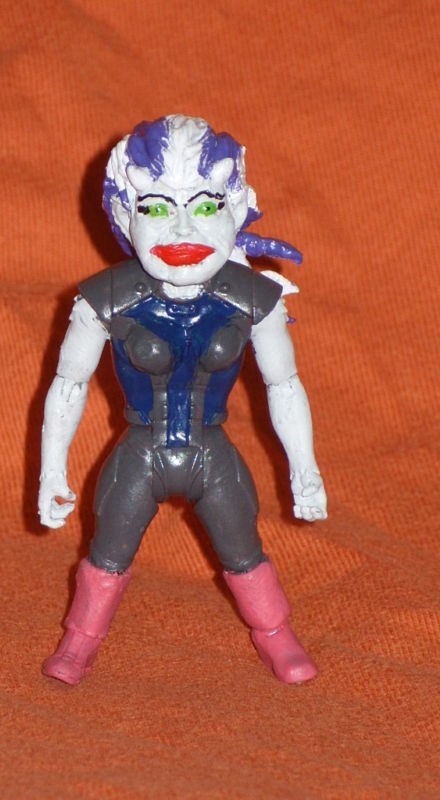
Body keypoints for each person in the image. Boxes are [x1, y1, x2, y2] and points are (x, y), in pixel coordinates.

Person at [38, 115, 327, 686]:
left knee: (243, 547)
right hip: (140, 452)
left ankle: (276, 634)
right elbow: (68, 383)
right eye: (154, 207)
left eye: (204, 204)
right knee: (107, 550)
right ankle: (79, 642)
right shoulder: (105, 300)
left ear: (235, 207)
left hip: (211, 451)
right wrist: (51, 470)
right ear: (124, 213)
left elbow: (284, 384)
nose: (181, 227)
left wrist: (305, 468)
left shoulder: (254, 299)